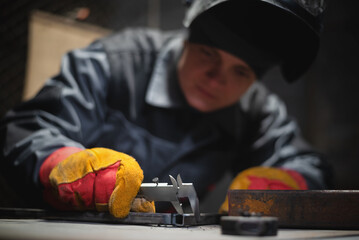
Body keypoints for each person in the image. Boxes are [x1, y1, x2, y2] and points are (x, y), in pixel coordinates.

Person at [0, 0, 331, 217]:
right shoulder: (111, 64)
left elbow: (308, 165)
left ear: (254, 81)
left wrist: (290, 183)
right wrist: (60, 163)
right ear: (185, 41)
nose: (217, 80)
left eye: (240, 71)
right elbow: (30, 129)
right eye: (208, 55)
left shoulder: (256, 109)